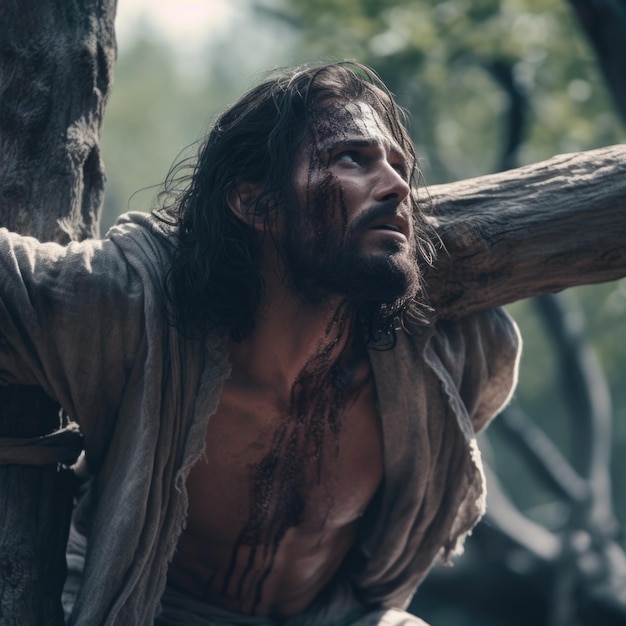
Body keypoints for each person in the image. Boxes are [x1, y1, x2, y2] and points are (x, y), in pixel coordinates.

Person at [0, 62, 520, 625]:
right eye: (353, 158)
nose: (397, 186)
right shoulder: (143, 310)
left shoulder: (441, 359)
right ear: (256, 204)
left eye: (399, 166)